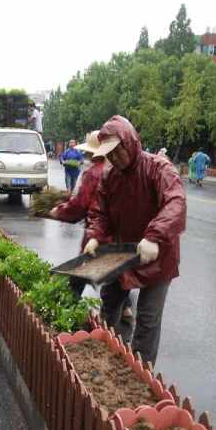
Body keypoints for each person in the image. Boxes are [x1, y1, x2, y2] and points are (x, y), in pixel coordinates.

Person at [84, 115, 186, 364]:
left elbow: (176, 202)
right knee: (109, 302)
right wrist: (95, 235)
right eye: (110, 153)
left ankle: (141, 372)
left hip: (157, 254)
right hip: (126, 252)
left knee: (148, 322)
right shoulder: (110, 176)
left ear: (130, 142)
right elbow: (100, 211)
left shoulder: (158, 168)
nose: (115, 157)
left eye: (118, 150)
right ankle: (107, 353)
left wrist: (154, 236)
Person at [49, 131, 134, 322]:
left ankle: (66, 314)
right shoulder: (121, 171)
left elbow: (79, 206)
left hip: (97, 235)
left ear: (93, 153)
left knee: (78, 275)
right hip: (121, 236)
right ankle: (126, 309)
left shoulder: (93, 174)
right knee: (117, 275)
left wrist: (58, 211)